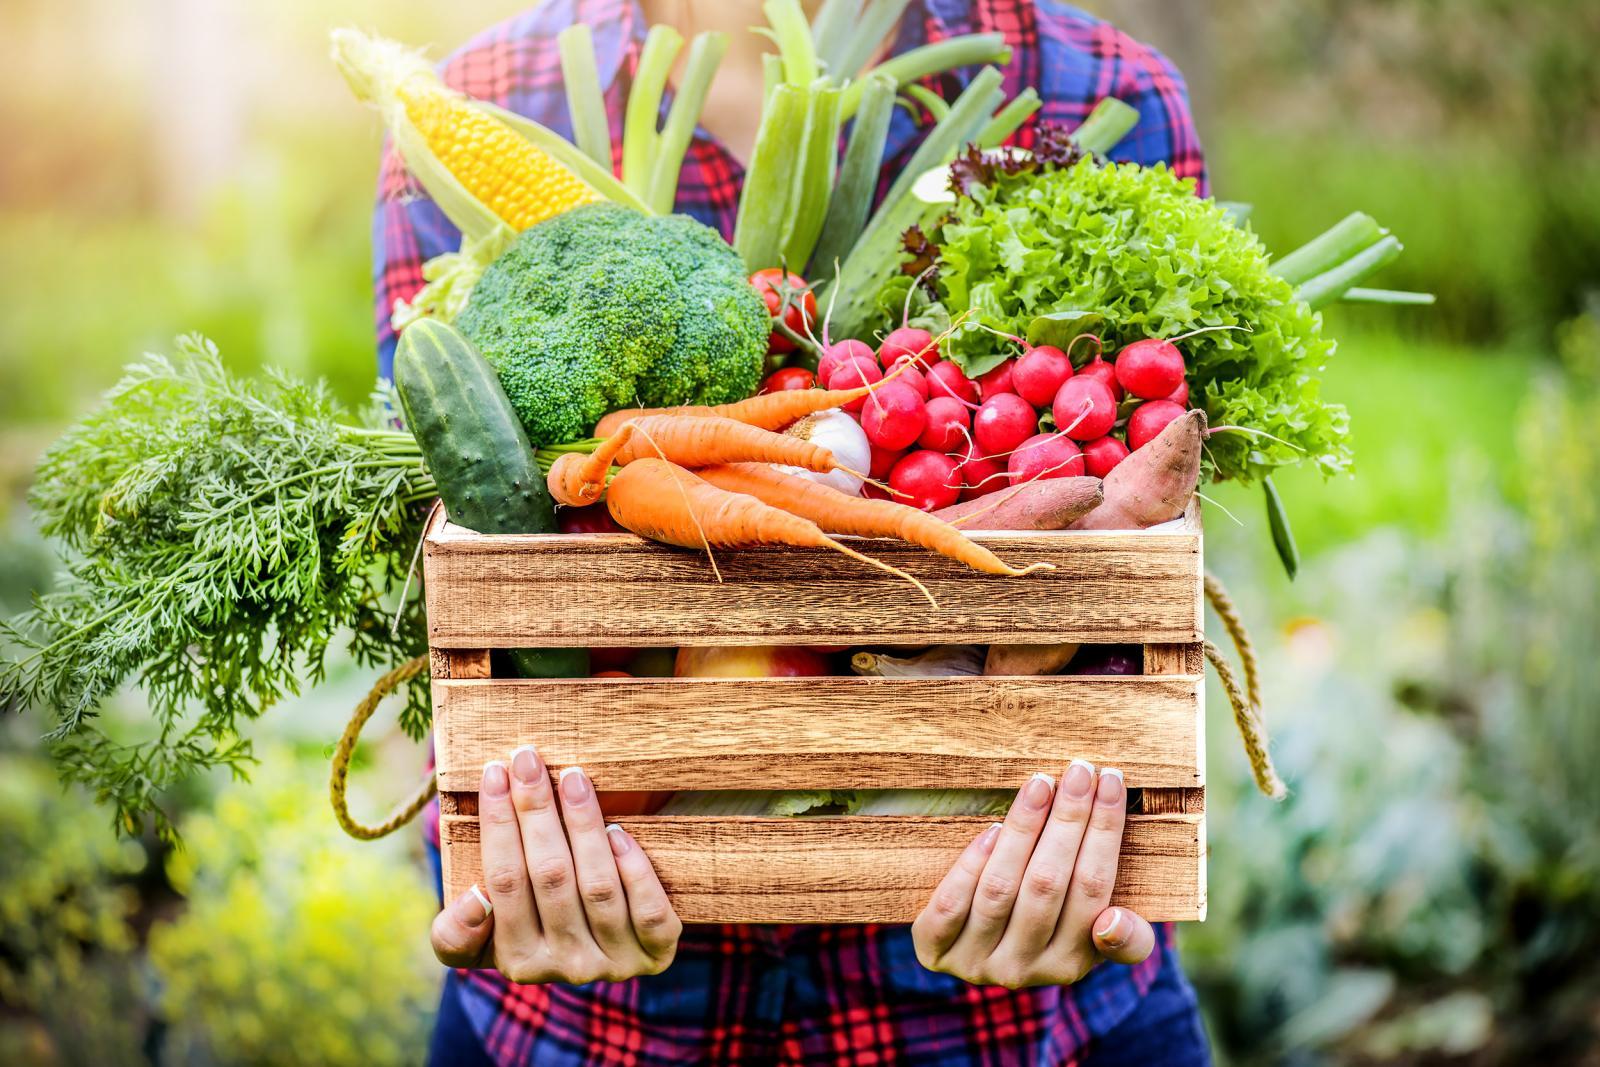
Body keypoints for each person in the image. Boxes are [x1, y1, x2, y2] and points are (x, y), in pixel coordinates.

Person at [373, 3, 1211, 1064]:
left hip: (1028, 1025)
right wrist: (509, 845)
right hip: (588, 1031)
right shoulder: (474, 99)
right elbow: (457, 557)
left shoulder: (1104, 89)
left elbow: (1149, 578)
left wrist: (1096, 845)